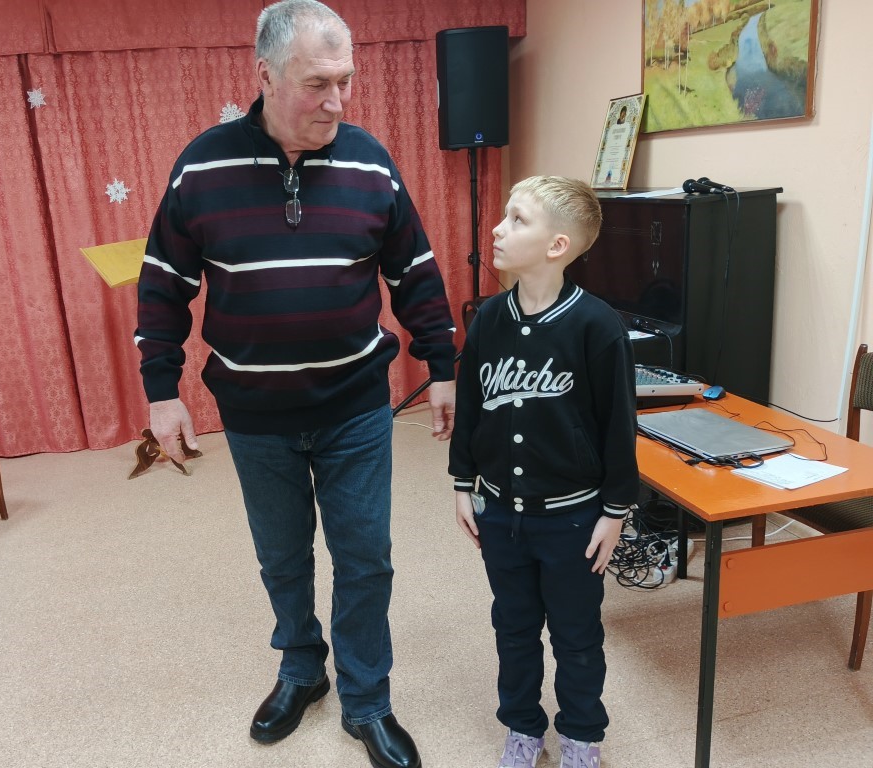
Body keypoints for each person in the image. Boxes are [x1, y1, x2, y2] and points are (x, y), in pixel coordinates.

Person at [134, 2, 456, 766]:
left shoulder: (370, 161)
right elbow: (163, 283)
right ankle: (302, 669)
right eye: (318, 83)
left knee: (365, 557)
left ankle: (368, 699)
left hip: (355, 406)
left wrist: (443, 364)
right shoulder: (203, 166)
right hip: (255, 412)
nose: (337, 101)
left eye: (345, 81)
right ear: (267, 75)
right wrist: (161, 390)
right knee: (282, 557)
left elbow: (414, 272)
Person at [448, 176, 639, 768]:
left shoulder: (597, 325)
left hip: (573, 519)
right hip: (501, 513)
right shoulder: (489, 319)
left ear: (558, 246)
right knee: (513, 627)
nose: (498, 229)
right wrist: (462, 483)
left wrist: (615, 510)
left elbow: (618, 425)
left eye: (517, 219)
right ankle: (523, 727)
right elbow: (471, 406)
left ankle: (581, 735)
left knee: (577, 635)